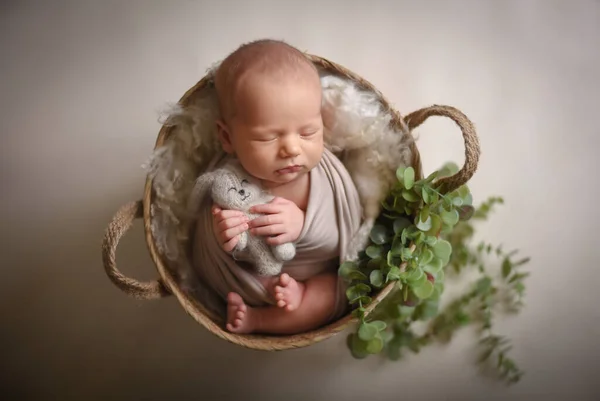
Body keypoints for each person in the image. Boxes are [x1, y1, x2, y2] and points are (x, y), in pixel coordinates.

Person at [193, 39, 362, 335]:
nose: (292, 149)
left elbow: (348, 239)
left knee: (333, 291)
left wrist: (304, 226)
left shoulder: (324, 179)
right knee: (245, 273)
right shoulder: (227, 182)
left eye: (308, 132)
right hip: (251, 282)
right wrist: (226, 239)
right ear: (227, 137)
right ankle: (255, 309)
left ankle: (260, 320)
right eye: (268, 138)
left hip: (317, 276)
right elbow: (204, 240)